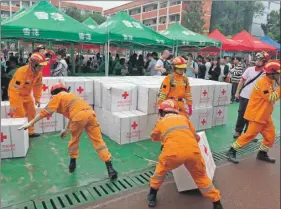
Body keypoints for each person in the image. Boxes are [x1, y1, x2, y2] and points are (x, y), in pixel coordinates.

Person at [18, 83, 119, 180]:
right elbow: (73, 114)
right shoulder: (72, 96)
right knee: (99, 142)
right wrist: (66, 129)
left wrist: (30, 123)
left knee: (74, 141)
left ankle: (73, 162)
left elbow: (46, 112)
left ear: (54, 93)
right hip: (91, 114)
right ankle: (110, 168)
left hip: (78, 117)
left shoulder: (58, 96)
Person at [147, 99, 223, 209]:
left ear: (162, 112)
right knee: (201, 177)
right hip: (193, 152)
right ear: (175, 110)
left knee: (160, 171)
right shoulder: (184, 119)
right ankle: (217, 202)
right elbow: (196, 137)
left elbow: (154, 137)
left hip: (172, 154)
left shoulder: (161, 122)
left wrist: (164, 139)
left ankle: (152, 194)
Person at [227, 60, 280, 164]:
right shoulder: (262, 83)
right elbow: (270, 97)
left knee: (270, 136)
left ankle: (262, 153)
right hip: (257, 115)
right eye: (278, 74)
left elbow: (273, 98)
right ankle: (231, 151)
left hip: (265, 115)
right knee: (249, 135)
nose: (279, 76)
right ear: (272, 74)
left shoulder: (270, 82)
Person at [8, 53, 46, 137]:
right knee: (20, 114)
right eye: (40, 65)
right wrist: (13, 104)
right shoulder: (22, 72)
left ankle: (30, 132)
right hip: (17, 96)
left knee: (31, 112)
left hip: (27, 95)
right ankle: (19, 134)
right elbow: (14, 89)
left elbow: (38, 86)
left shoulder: (38, 73)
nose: (41, 68)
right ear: (33, 64)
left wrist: (37, 98)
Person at [233, 52, 269, 139]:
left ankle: (248, 133)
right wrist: (237, 92)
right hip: (245, 95)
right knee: (242, 114)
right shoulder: (249, 69)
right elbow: (241, 81)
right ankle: (238, 131)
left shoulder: (266, 74)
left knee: (252, 117)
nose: (258, 61)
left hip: (257, 99)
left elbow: (266, 87)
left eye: (260, 60)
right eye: (257, 59)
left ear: (264, 62)